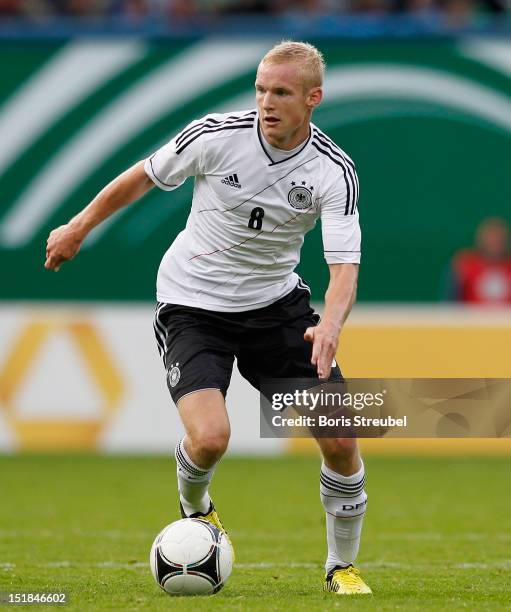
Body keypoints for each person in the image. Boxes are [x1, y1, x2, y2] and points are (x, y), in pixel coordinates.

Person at [45, 41, 371, 595]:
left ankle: (341, 567)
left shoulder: (333, 172)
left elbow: (344, 267)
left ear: (313, 99)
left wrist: (333, 324)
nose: (267, 102)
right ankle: (197, 511)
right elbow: (142, 176)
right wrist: (79, 227)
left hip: (276, 309)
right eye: (262, 89)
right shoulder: (215, 136)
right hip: (192, 304)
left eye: (282, 92)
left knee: (340, 439)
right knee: (211, 438)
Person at [444, 217, 511, 304]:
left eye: (498, 238)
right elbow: (450, 301)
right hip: (471, 317)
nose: (494, 243)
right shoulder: (465, 264)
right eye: (490, 238)